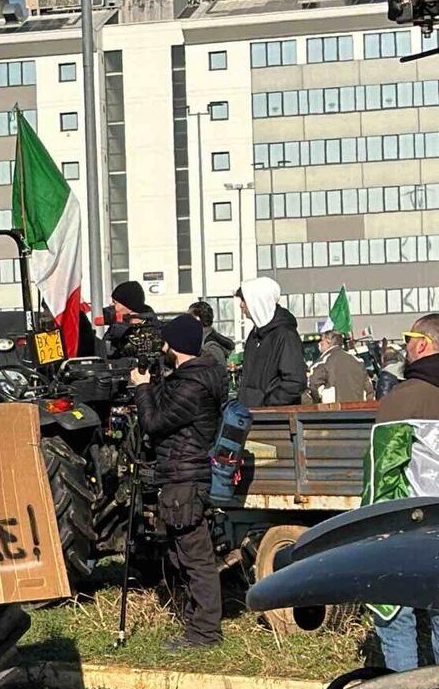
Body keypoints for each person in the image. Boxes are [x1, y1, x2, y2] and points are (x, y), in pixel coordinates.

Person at [366, 313, 439, 671]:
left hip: (410, 528)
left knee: (395, 619)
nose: (405, 345)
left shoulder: (403, 399)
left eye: (408, 337)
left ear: (422, 344)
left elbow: (382, 477)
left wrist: (369, 535)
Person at [129, 313, 228, 649]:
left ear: (177, 345)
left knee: (196, 557)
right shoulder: (194, 378)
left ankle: (205, 633)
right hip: (182, 475)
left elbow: (154, 423)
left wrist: (142, 388)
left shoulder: (190, 385)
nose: (163, 348)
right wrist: (154, 383)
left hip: (184, 477)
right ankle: (196, 624)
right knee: (182, 554)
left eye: (166, 342)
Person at [234, 276, 306, 408]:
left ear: (258, 301)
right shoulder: (254, 335)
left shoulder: (286, 335)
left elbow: (295, 382)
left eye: (244, 300)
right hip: (252, 417)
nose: (241, 305)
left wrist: (267, 405)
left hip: (276, 421)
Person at [307, 329, 373, 404]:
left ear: (328, 342)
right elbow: (369, 389)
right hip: (358, 409)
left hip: (333, 411)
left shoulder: (323, 362)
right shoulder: (357, 361)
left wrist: (322, 399)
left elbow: (313, 384)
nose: (320, 344)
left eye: (322, 341)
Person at [105, 280, 159, 360]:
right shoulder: (117, 328)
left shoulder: (156, 329)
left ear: (129, 306)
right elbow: (106, 353)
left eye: (115, 302)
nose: (111, 305)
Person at [188, 301, 235, 369]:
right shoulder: (200, 343)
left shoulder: (210, 348)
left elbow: (218, 376)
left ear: (197, 319)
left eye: (189, 318)